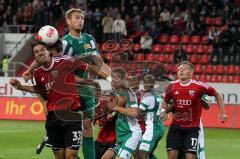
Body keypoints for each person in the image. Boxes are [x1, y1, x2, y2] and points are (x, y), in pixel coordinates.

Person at [10, 41, 114, 159]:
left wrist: (111, 79)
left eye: (42, 50)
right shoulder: (38, 74)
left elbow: (91, 67)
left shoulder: (66, 61)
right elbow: (39, 90)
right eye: (36, 52)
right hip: (53, 119)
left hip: (72, 115)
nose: (40, 53)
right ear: (34, 57)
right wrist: (20, 86)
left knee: (71, 156)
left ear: (48, 52)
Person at [160, 61, 227, 159]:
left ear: (191, 73)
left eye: (184, 69)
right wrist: (163, 111)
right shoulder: (171, 86)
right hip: (175, 128)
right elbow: (165, 101)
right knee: (172, 157)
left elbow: (216, 94)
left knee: (190, 157)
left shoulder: (199, 86)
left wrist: (222, 112)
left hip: (192, 129)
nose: (180, 70)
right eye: (179, 69)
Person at [102, 67, 142, 159]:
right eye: (112, 78)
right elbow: (116, 111)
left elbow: (134, 112)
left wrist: (115, 107)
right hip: (121, 136)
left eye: (116, 78)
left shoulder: (128, 93)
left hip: (131, 133)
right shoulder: (117, 93)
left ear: (123, 80)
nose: (113, 80)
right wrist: (111, 115)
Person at [137, 75, 164, 159]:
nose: (146, 84)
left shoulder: (147, 96)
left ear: (153, 83)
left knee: (142, 154)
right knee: (149, 153)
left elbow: (138, 113)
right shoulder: (157, 94)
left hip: (152, 129)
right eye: (145, 82)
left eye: (149, 82)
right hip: (159, 127)